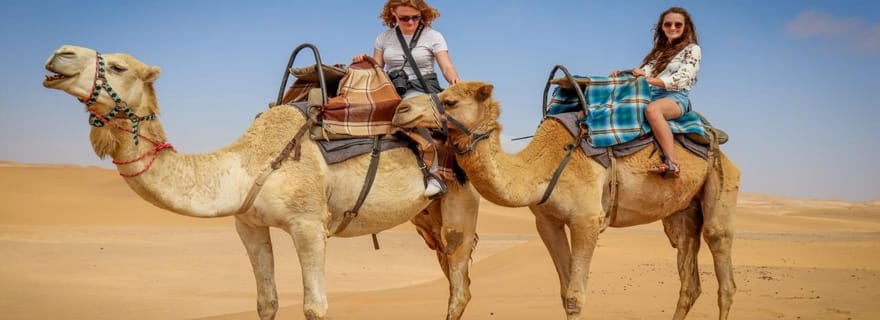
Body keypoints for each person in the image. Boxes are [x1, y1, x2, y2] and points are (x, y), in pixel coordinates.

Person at [353, 0, 461, 197]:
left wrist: (454, 79)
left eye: (415, 17)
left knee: (410, 111)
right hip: (392, 88)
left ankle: (434, 172)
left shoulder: (433, 36)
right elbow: (377, 68)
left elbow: (446, 65)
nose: (410, 22)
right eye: (404, 18)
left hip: (422, 89)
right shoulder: (384, 38)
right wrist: (364, 60)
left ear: (422, 14)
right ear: (393, 14)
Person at [613, 6, 701, 178]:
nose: (673, 28)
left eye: (678, 24)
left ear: (685, 27)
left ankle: (672, 163)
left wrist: (648, 80)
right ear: (662, 27)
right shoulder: (659, 53)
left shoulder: (692, 50)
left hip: (675, 97)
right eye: (668, 24)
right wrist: (623, 74)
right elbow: (644, 72)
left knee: (653, 110)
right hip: (650, 93)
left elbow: (682, 78)